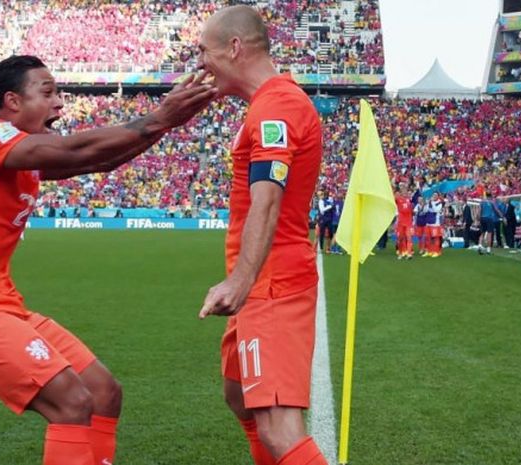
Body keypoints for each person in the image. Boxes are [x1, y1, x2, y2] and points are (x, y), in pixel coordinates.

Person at [0, 55, 216, 465]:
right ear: (12, 101)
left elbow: (97, 160)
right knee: (72, 402)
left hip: (1, 306)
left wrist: (164, 124)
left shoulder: (23, 162)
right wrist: (158, 116)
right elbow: (77, 149)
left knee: (103, 392)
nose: (60, 103)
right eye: (48, 92)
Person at [196, 6, 327, 465]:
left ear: (234, 48)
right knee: (239, 396)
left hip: (272, 283)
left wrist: (241, 280)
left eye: (203, 52)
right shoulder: (266, 105)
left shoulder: (279, 106)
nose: (200, 63)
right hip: (259, 284)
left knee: (278, 428)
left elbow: (267, 197)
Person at [394, 183, 414, 259]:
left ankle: (409, 253)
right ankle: (400, 252)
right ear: (401, 193)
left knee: (409, 238)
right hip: (401, 222)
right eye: (403, 191)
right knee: (400, 238)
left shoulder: (409, 200)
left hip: (408, 222)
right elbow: (393, 199)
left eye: (406, 191)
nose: (405, 193)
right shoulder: (398, 199)